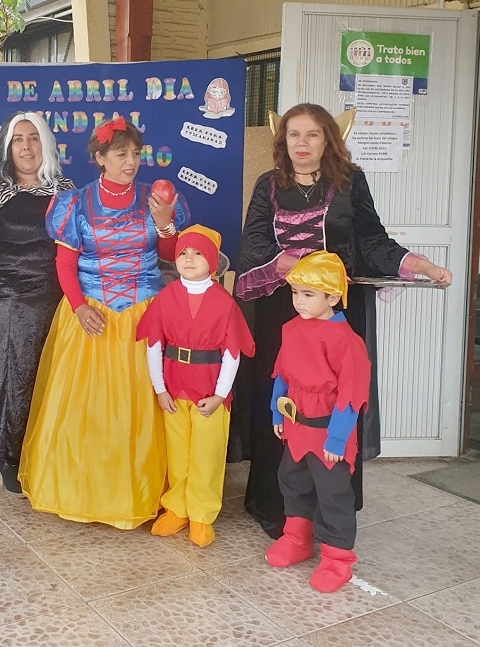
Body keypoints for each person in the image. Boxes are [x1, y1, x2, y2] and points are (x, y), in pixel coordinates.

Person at [235, 103, 453, 538]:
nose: (301, 143)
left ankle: (330, 512)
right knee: (284, 399)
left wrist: (422, 265)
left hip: (337, 311)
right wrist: (282, 263)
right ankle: (279, 509)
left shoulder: (351, 184)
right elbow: (252, 244)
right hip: (283, 310)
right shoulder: (268, 185)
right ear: (283, 142)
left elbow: (372, 241)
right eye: (293, 135)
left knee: (334, 397)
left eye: (312, 134)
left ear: (328, 140)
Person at [18, 117, 191, 530]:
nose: (131, 161)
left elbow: (170, 254)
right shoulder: (75, 204)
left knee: (143, 408)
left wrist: (166, 220)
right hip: (91, 315)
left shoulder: (157, 198)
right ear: (99, 159)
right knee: (88, 410)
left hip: (145, 315)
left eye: (135, 153)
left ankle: (144, 491)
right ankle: (83, 490)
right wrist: (79, 307)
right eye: (120, 154)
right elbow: (64, 263)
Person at [0, 112, 74, 494]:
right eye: (18, 139)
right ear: (8, 148)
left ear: (46, 145)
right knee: (9, 381)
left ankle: (48, 453)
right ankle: (11, 457)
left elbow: (80, 246)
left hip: (56, 298)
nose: (26, 146)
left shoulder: (65, 189)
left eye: (33, 138)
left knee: (51, 378)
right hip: (6, 299)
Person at [136, 225, 254, 547]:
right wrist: (160, 389)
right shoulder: (165, 297)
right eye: (183, 253)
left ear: (212, 262)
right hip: (174, 388)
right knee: (178, 453)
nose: (188, 259)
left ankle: (201, 515)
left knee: (206, 454)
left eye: (198, 253)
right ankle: (178, 509)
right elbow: (152, 345)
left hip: (209, 393)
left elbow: (232, 353)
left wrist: (220, 394)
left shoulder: (224, 302)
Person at [266, 251, 370, 593]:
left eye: (308, 294)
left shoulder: (346, 341)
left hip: (328, 431)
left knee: (333, 493)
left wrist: (337, 440)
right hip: (297, 428)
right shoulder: (292, 329)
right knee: (292, 480)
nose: (298, 301)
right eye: (295, 293)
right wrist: (277, 411)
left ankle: (337, 557)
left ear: (333, 297)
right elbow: (282, 375)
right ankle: (297, 537)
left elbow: (350, 395)